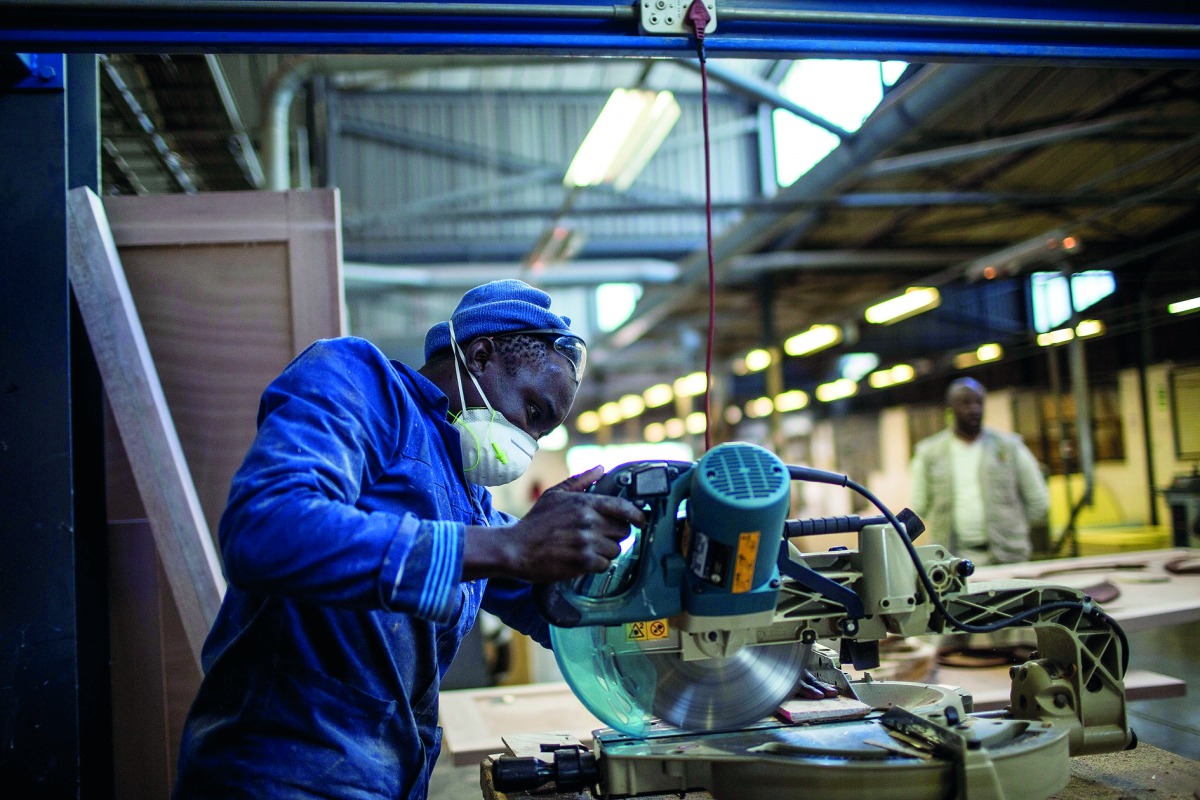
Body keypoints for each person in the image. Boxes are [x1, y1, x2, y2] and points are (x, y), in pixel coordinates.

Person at [172, 279, 646, 799]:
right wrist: (515, 546)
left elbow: (562, 611)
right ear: (480, 354)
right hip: (277, 777)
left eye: (543, 434)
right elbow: (266, 529)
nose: (529, 442)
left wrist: (646, 594)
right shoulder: (359, 382)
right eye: (533, 413)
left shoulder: (470, 499)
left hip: (388, 780)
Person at [910, 377, 1049, 566]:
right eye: (965, 403)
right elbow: (919, 506)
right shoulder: (929, 453)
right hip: (952, 561)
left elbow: (1038, 502)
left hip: (1008, 558)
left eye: (979, 402)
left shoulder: (1010, 447)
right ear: (950, 409)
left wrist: (1012, 530)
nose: (974, 409)